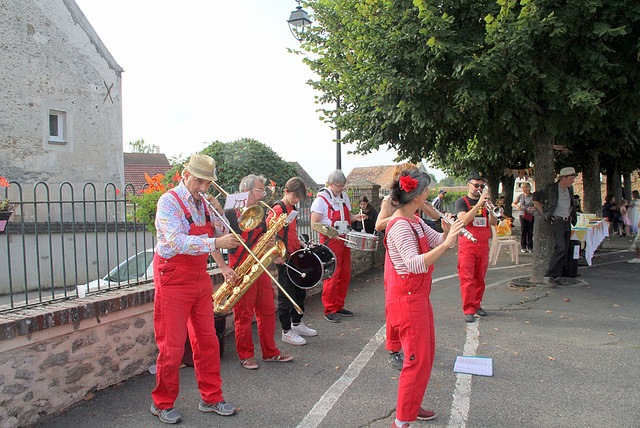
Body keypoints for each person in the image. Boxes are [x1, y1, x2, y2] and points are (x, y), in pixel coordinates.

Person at [151, 153, 241, 424]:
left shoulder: (204, 202)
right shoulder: (168, 201)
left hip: (198, 275)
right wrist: (215, 243)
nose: (204, 188)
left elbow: (224, 233)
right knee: (172, 347)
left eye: (208, 184)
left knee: (208, 340)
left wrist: (217, 209)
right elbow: (177, 242)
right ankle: (161, 403)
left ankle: (211, 397)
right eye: (200, 182)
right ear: (185, 175)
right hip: (173, 277)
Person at [384, 170, 463, 428]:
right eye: (426, 191)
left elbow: (439, 241)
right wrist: (446, 243)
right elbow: (412, 264)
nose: (429, 195)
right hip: (407, 300)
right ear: (417, 197)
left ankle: (412, 406)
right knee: (415, 361)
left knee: (425, 356)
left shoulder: (415, 221)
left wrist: (446, 230)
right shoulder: (400, 226)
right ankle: (401, 420)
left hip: (418, 297)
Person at [225, 174, 293, 370]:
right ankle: (246, 355)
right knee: (244, 314)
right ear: (246, 190)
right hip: (240, 266)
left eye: (263, 190)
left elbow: (262, 235)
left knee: (267, 310)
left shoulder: (261, 211)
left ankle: (270, 352)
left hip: (259, 265)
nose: (263, 194)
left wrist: (269, 241)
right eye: (259, 190)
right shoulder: (230, 210)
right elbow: (224, 235)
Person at [266, 177, 317, 346]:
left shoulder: (291, 207)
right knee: (286, 295)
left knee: (299, 291)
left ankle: (297, 323)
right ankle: (286, 331)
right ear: (286, 192)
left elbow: (292, 232)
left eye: (299, 197)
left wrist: (301, 244)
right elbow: (269, 233)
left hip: (294, 254)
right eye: (295, 196)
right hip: (284, 258)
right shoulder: (278, 209)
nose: (297, 200)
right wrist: (277, 255)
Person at [310, 170, 366, 322]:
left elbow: (346, 217)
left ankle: (339, 305)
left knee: (345, 274)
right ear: (331, 184)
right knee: (332, 275)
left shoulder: (344, 197)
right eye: (339, 186)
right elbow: (314, 223)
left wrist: (356, 217)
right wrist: (329, 233)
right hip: (331, 242)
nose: (342, 189)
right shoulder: (321, 200)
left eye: (343, 186)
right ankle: (329, 309)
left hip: (344, 239)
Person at [454, 172, 499, 323]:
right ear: (469, 184)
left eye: (482, 186)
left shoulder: (485, 202)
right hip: (467, 244)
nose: (479, 188)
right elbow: (463, 220)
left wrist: (492, 210)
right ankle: (469, 309)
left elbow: (493, 223)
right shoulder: (462, 202)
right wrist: (478, 205)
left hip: (483, 244)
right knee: (467, 278)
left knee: (480, 278)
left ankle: (477, 304)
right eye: (476, 185)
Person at [532, 167, 578, 287]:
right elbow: (535, 197)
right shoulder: (552, 189)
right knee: (560, 248)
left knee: (565, 248)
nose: (572, 181)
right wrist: (544, 212)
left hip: (567, 221)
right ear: (564, 178)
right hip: (557, 221)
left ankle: (557, 275)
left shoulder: (569, 189)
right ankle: (549, 275)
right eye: (571, 178)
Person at [512, 182, 535, 253]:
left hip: (530, 214)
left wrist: (532, 208)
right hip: (522, 214)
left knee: (530, 231)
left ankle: (530, 246)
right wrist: (518, 207)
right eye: (523, 188)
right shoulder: (521, 196)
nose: (524, 189)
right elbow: (513, 203)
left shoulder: (533, 196)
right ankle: (523, 246)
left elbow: (536, 205)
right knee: (523, 230)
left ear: (529, 188)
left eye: (525, 188)